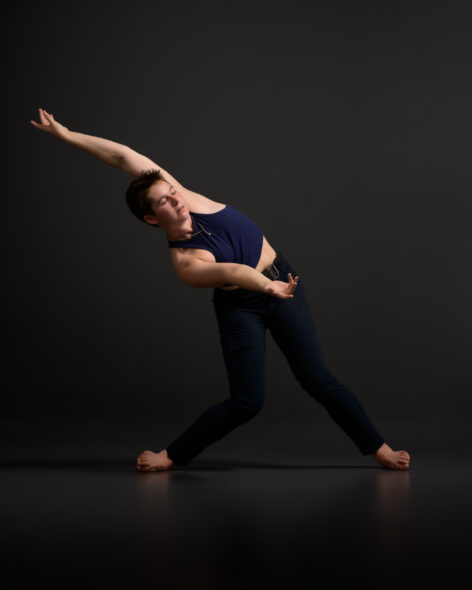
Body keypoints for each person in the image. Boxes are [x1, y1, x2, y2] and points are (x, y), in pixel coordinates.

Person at [30, 107, 411, 472]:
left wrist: (65, 134)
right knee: (247, 402)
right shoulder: (187, 264)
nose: (176, 199)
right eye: (164, 201)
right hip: (242, 304)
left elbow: (121, 156)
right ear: (151, 218)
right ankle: (171, 455)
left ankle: (379, 449)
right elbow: (233, 270)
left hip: (283, 280)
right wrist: (267, 286)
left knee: (318, 379)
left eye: (172, 191)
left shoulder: (186, 198)